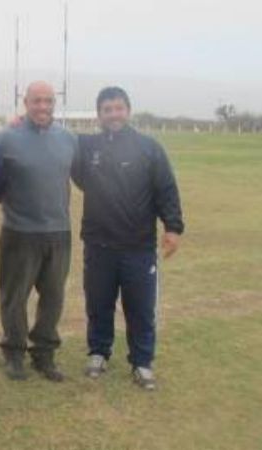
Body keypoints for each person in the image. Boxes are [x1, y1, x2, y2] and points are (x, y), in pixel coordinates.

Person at [71, 86, 184, 390]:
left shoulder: (149, 148)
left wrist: (173, 228)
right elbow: (60, 151)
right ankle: (98, 352)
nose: (113, 114)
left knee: (140, 308)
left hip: (138, 246)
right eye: (107, 110)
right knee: (99, 303)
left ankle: (142, 362)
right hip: (98, 244)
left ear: (128, 111)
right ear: (99, 115)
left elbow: (166, 189)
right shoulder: (85, 145)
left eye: (118, 108)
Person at [0, 81, 77, 382]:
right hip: (19, 232)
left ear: (55, 103)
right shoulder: (5, 138)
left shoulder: (68, 139)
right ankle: (14, 353)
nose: (43, 106)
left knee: (53, 298)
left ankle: (44, 354)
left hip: (59, 232)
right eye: (36, 100)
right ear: (25, 102)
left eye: (48, 101)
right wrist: (11, 201)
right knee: (14, 298)